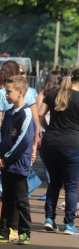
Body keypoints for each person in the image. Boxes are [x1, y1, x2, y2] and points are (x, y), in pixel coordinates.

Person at [0, 75, 35, 245]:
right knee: (6, 198)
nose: (6, 94)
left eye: (9, 91)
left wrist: (6, 158)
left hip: (18, 165)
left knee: (21, 200)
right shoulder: (8, 113)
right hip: (5, 163)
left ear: (20, 92)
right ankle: (4, 232)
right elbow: (2, 137)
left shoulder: (26, 114)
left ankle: (25, 232)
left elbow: (23, 141)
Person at [39, 66, 79, 235]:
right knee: (71, 186)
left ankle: (49, 218)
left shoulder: (54, 93)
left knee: (54, 183)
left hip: (50, 143)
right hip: (72, 144)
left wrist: (48, 129)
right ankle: (69, 224)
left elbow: (40, 114)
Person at [35, 71, 62, 201]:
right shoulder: (63, 95)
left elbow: (38, 114)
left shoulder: (43, 94)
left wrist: (43, 128)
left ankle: (51, 189)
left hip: (47, 130)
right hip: (61, 131)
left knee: (47, 164)